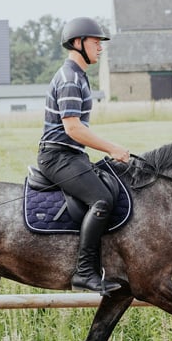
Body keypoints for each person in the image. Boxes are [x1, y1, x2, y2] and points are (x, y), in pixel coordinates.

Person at [37, 17, 130, 295]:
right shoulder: (68, 79)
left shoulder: (78, 76)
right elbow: (73, 128)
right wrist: (112, 148)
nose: (100, 48)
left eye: (101, 43)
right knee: (101, 200)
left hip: (71, 155)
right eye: (95, 42)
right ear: (78, 43)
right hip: (57, 156)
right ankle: (85, 272)